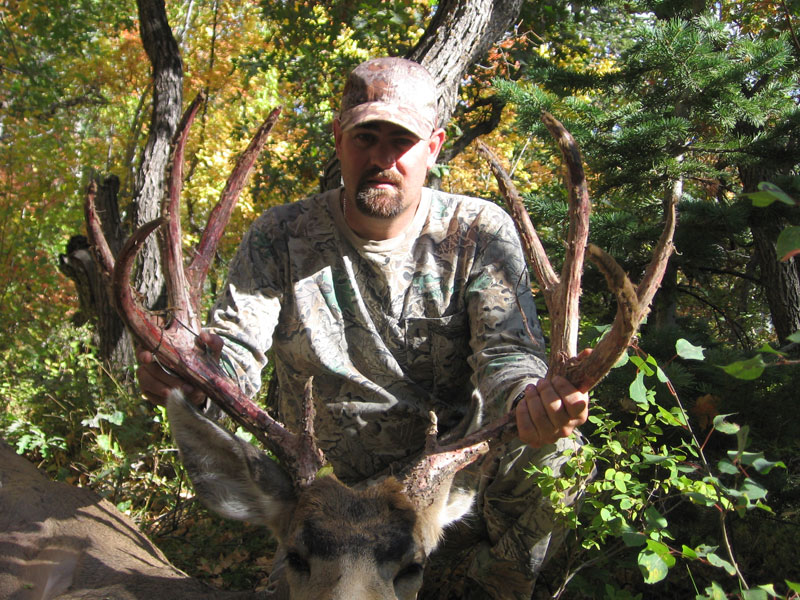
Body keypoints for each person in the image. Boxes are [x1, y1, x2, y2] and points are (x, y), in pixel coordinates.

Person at [138, 56, 590, 599]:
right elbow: (236, 348)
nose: (382, 158)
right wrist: (197, 381)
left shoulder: (477, 231)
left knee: (560, 452)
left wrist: (531, 400)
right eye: (366, 137)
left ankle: (494, 587)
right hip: (322, 498)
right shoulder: (281, 236)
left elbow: (507, 354)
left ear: (433, 146)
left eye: (400, 141)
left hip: (434, 493)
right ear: (339, 138)